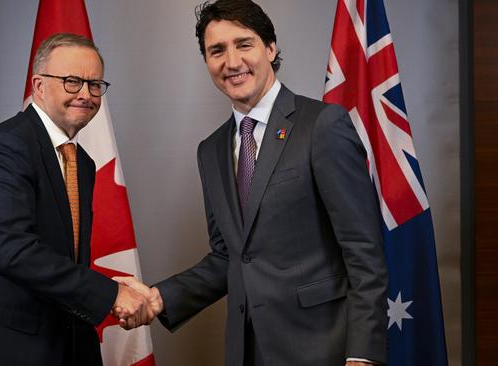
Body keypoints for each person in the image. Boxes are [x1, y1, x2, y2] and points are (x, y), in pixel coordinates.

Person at [116, 1, 389, 365]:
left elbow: (363, 251)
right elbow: (229, 257)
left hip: (324, 348)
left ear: (270, 48)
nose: (231, 62)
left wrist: (363, 355)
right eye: (217, 51)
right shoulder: (210, 151)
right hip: (247, 349)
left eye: (243, 44)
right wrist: (158, 298)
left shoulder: (322, 125)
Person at [0, 33, 153, 366]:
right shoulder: (6, 145)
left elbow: (59, 257)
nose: (86, 95)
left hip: (57, 343)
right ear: (39, 85)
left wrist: (113, 288)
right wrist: (111, 294)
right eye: (72, 82)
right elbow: (13, 251)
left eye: (94, 84)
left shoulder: (82, 163)